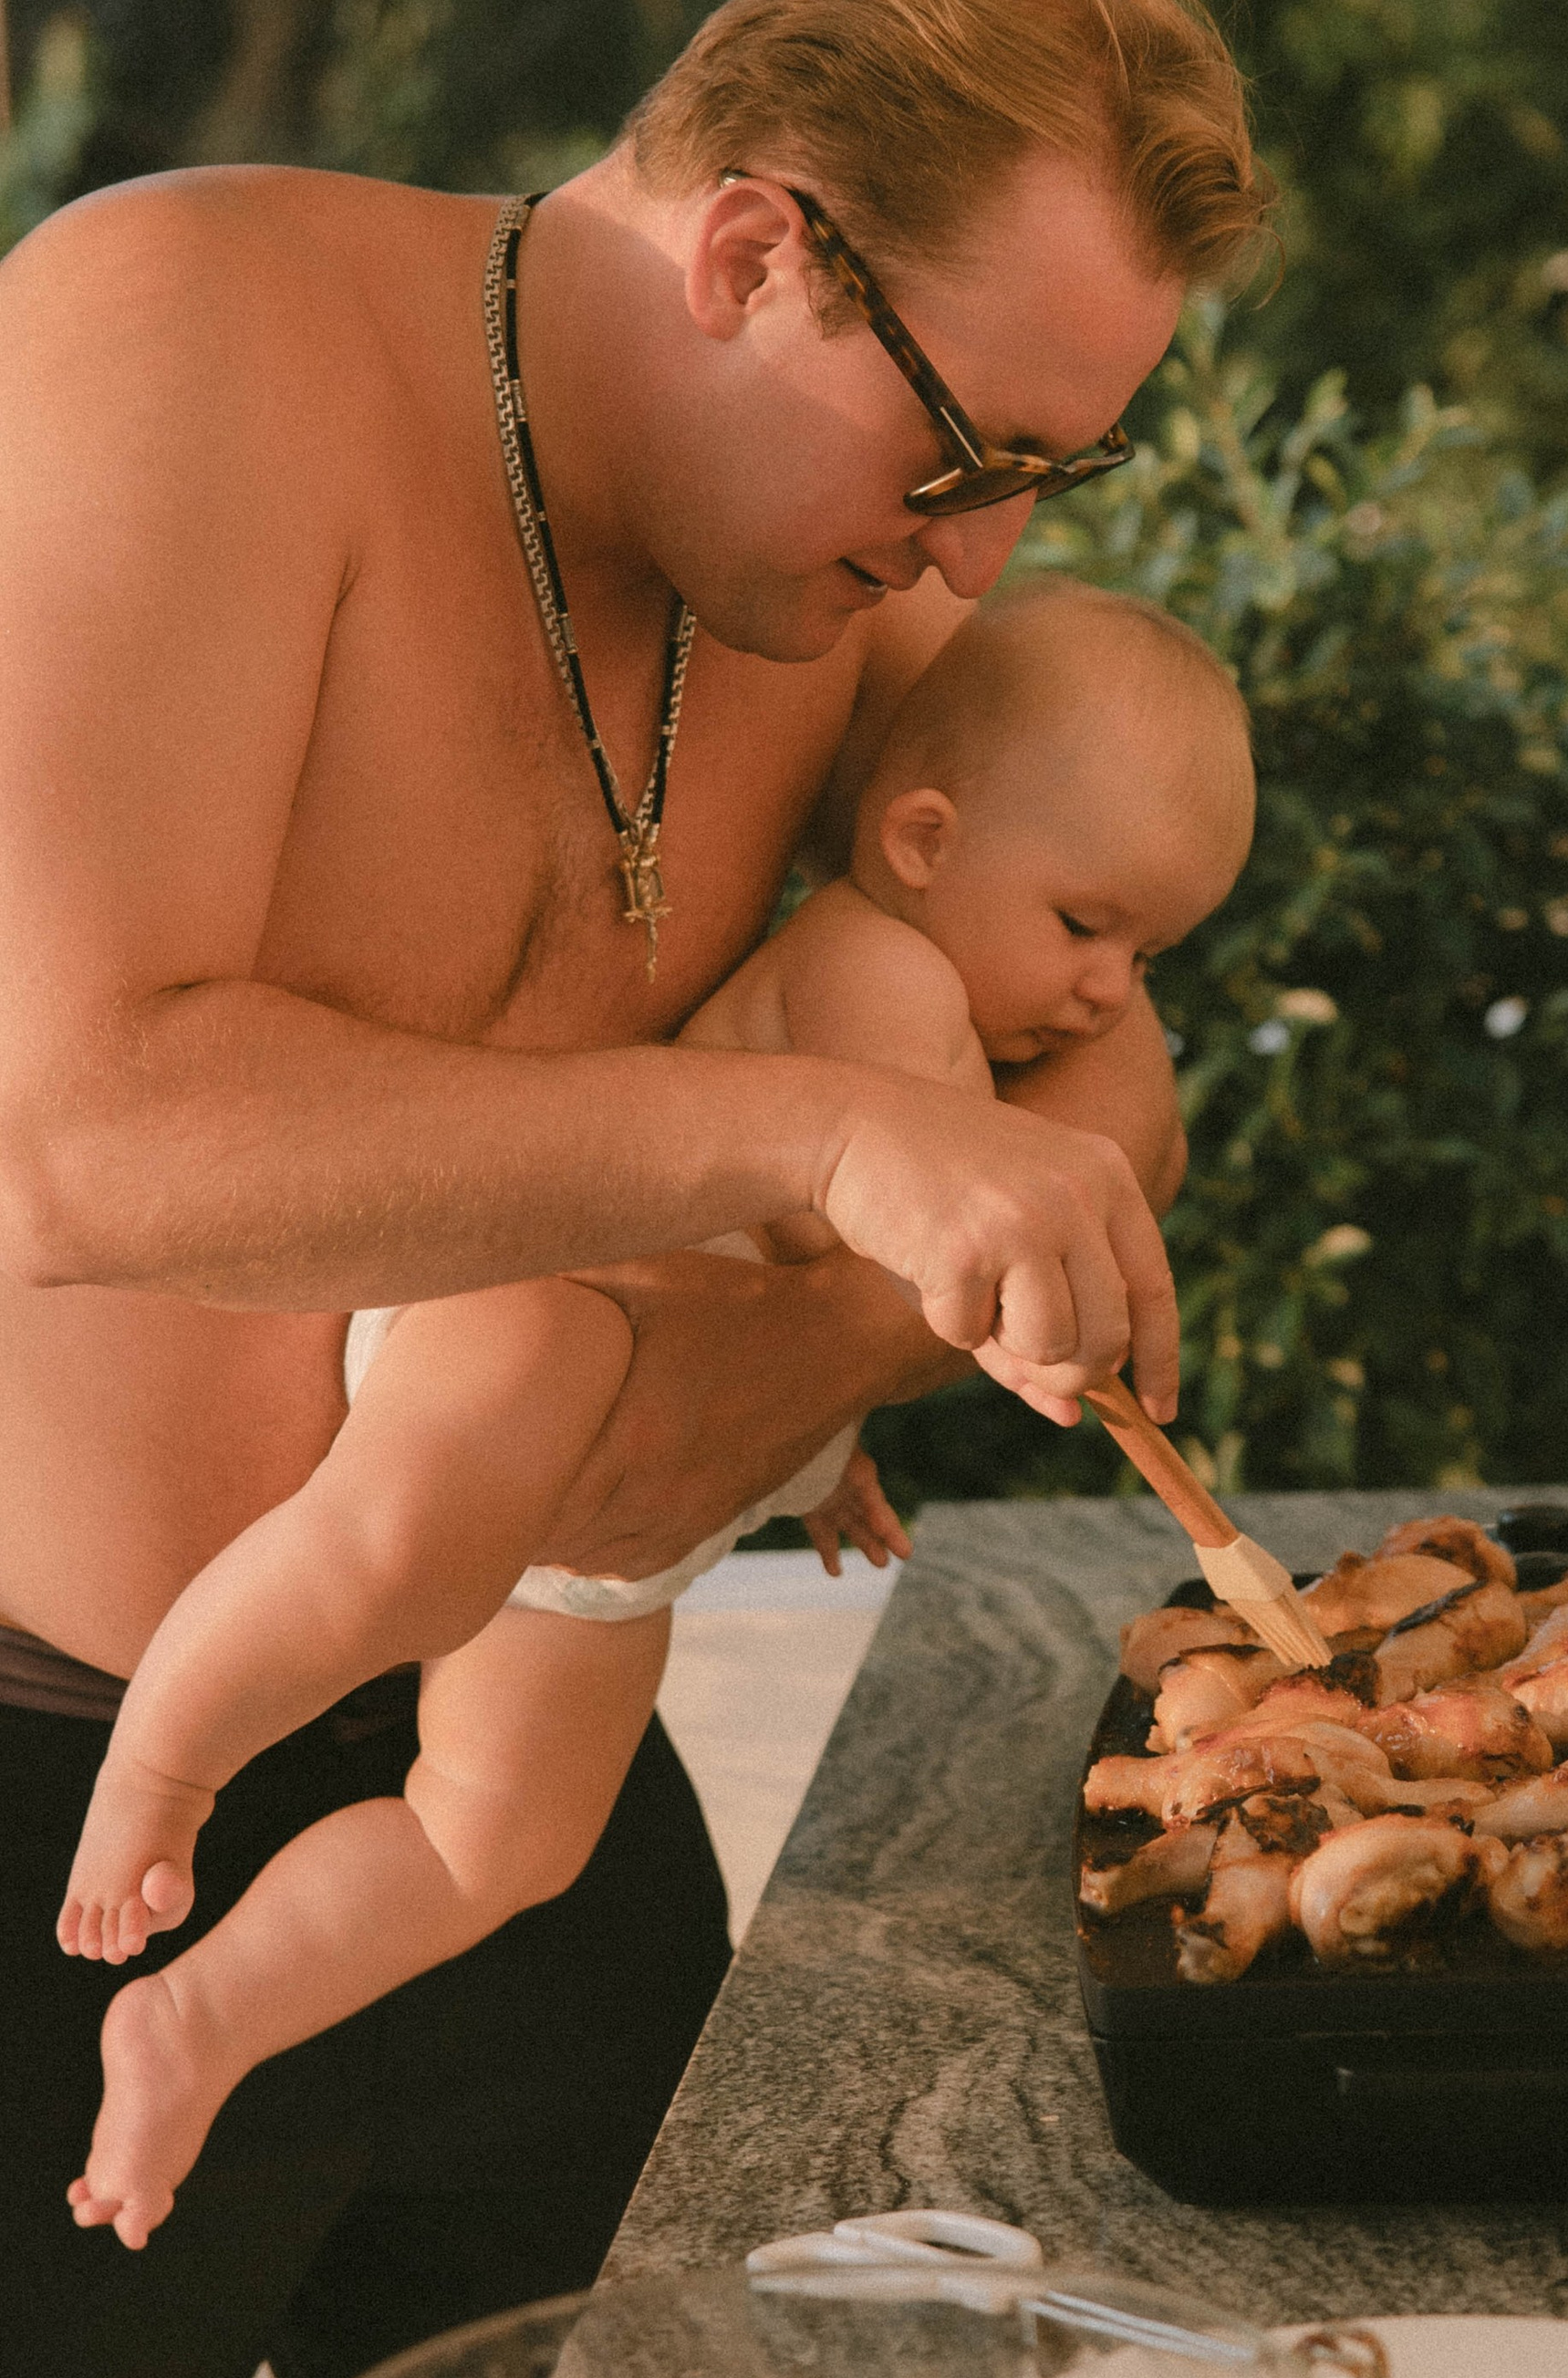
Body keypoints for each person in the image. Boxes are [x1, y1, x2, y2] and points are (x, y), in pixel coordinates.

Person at [0, 0, 1272, 2378]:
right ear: (753, 247)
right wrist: (810, 1156)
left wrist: (861, 1273)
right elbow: (72, 1129)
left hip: (521, 1798)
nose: (974, 558)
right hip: (55, 1814)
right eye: (964, 457)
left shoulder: (817, 587)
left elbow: (1076, 1070)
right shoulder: (185, 331)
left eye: (1056, 474)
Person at [58, 583, 1256, 2248]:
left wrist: (823, 1456)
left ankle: (201, 2016)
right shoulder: (878, 973)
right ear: (921, 838)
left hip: (633, 1479)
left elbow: (819, 1298)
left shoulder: (939, 977)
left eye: (1149, 956)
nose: (1113, 992)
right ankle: (164, 1763)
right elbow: (933, 1240)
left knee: (498, 1842)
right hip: (542, 1310)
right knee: (386, 1553)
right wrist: (1029, 1328)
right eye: (1085, 927)